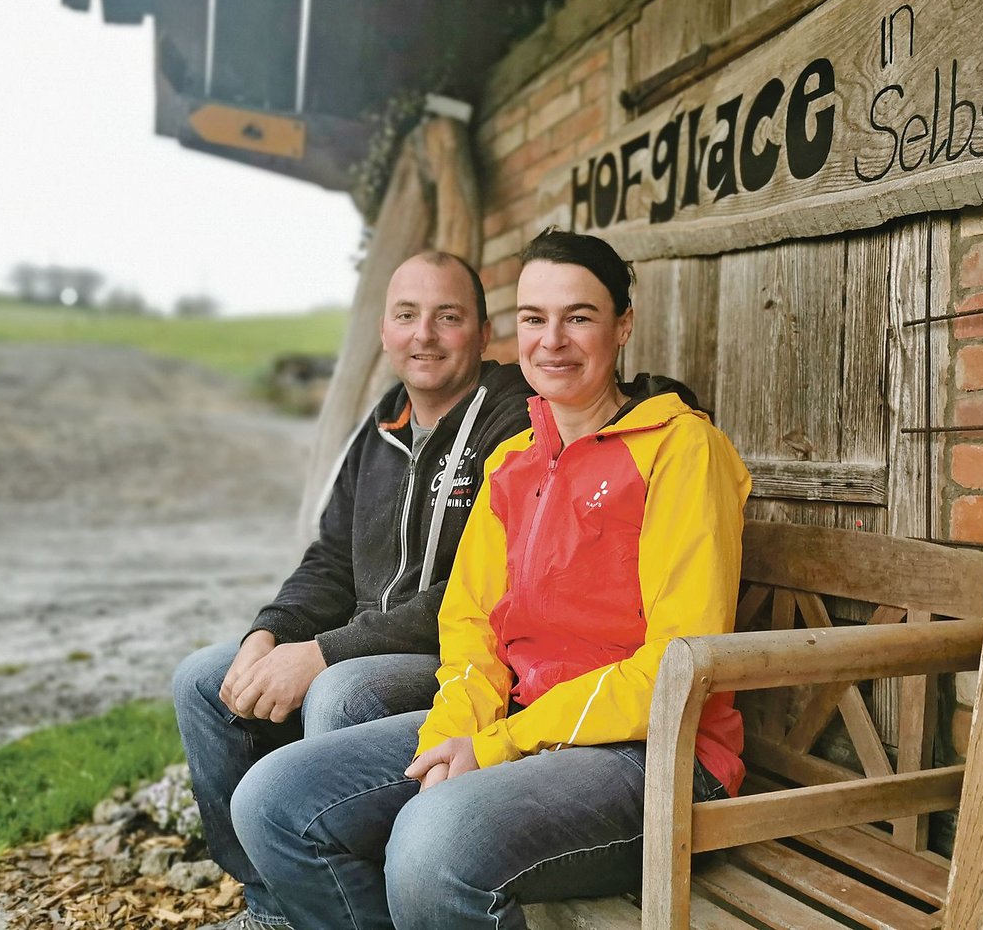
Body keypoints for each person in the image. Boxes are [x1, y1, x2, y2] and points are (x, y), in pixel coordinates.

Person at [229, 228, 751, 929]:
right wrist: (452, 737)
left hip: (659, 751)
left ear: (623, 326)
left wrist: (493, 749)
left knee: (431, 845)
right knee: (273, 801)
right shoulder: (514, 462)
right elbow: (471, 631)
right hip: (523, 728)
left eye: (581, 317)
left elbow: (676, 665)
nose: (553, 340)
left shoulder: (682, 449)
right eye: (535, 319)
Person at [173, 251, 532, 930]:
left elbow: (482, 591)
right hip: (366, 644)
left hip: (463, 658)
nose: (423, 334)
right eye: (406, 315)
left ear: (484, 335)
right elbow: (331, 558)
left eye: (447, 317)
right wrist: (269, 633)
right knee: (202, 680)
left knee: (345, 687)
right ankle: (277, 905)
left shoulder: (512, 420)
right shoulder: (383, 425)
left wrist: (324, 653)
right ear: (384, 332)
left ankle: (367, 906)